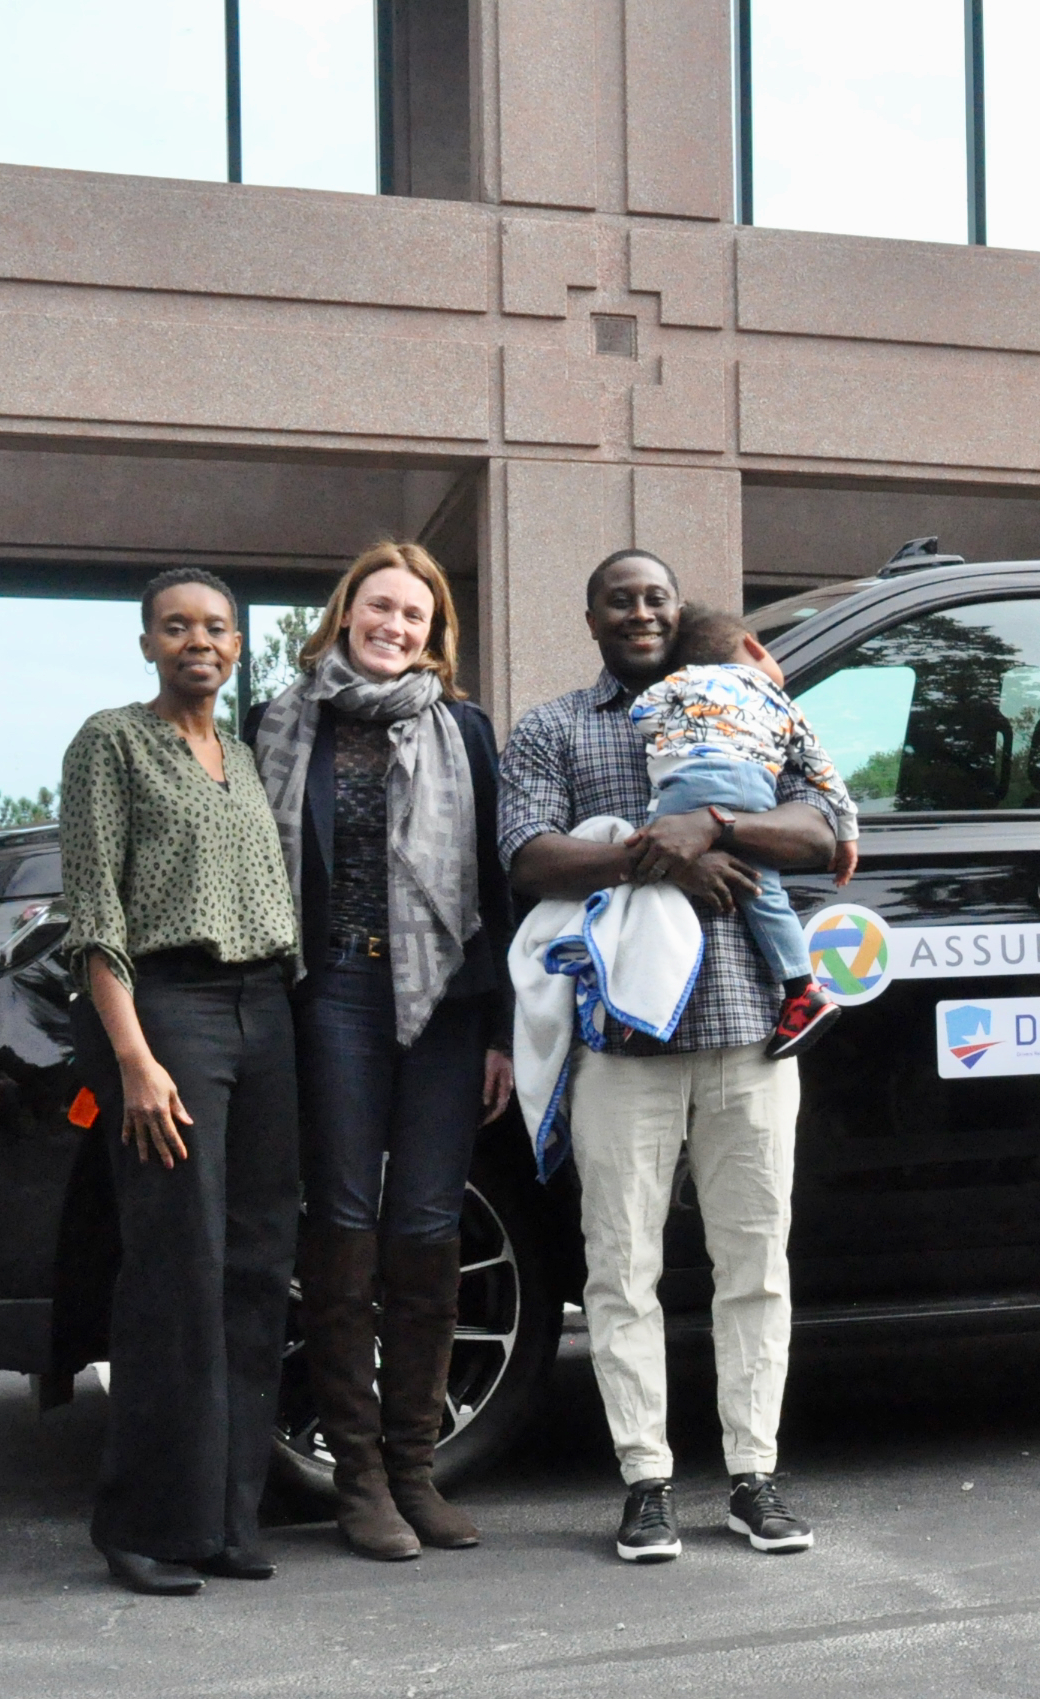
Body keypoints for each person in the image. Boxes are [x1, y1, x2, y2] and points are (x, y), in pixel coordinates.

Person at [497, 550, 840, 1560]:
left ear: (677, 609)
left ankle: (753, 1476)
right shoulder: (556, 727)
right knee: (620, 1270)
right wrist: (664, 854)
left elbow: (826, 830)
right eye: (620, 598)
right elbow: (529, 859)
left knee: (755, 1266)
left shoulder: (756, 702)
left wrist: (722, 820)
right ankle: (645, 1479)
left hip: (752, 1036)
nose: (640, 611)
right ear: (592, 616)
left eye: (656, 596)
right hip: (622, 1040)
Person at [243, 541, 516, 1560]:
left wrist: (495, 1028)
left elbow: (497, 889)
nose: (393, 625)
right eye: (378, 606)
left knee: (427, 1227)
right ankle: (356, 1479)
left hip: (444, 999)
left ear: (434, 630)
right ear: (345, 612)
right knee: (345, 1224)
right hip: (334, 993)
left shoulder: (465, 731)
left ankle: (415, 1468)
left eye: (414, 613)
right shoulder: (282, 722)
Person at [57, 567, 304, 1597]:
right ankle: (143, 1523)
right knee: (174, 1272)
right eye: (176, 626)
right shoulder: (111, 741)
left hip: (265, 1013)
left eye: (215, 628)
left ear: (240, 644)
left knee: (254, 1268)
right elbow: (95, 915)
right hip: (169, 1013)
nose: (197, 641)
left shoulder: (242, 756)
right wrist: (134, 1059)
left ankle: (226, 1518)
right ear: (147, 641)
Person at [627, 606, 860, 1058]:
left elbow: (642, 714)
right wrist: (847, 833)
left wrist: (671, 740)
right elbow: (822, 770)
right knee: (764, 892)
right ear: (754, 647)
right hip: (757, 788)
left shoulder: (684, 679)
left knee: (658, 879)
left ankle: (645, 1004)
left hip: (690, 781)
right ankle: (802, 990)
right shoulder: (782, 703)